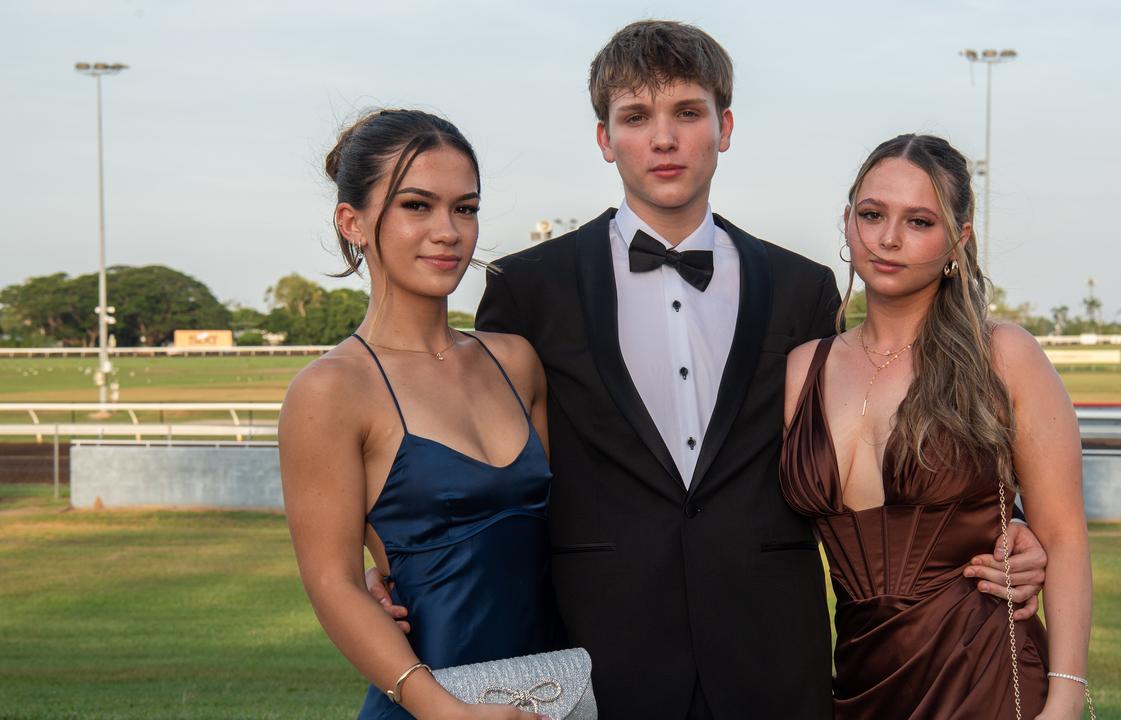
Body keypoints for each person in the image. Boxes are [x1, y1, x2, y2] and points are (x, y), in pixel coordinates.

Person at [370, 21, 1050, 720]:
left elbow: (863, 447)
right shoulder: (526, 288)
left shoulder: (802, 289)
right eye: (636, 116)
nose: (664, 139)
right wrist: (392, 563)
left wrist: (1007, 526)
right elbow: (488, 460)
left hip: (775, 657)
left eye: (687, 113)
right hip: (600, 654)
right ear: (605, 138)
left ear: (724, 127)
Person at [780, 133, 1093, 719]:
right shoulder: (804, 368)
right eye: (872, 215)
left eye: (919, 221)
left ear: (959, 240)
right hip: (856, 684)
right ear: (848, 223)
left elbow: (1066, 536)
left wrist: (1066, 697)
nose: (889, 238)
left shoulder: (1003, 355)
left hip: (984, 678)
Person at [280, 109, 559, 720]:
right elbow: (333, 584)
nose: (448, 231)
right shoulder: (330, 390)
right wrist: (447, 713)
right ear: (351, 222)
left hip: (547, 694)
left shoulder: (515, 362)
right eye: (416, 206)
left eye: (465, 208)